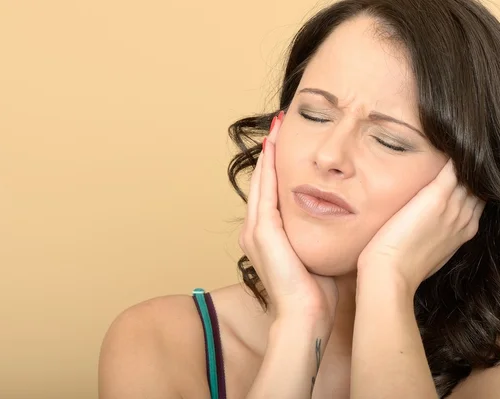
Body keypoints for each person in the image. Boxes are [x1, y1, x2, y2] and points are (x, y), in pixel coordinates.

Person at [98, 0, 500, 397]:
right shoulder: (158, 343)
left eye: (389, 141)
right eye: (314, 115)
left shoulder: (486, 377)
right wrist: (299, 325)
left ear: (467, 183)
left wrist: (386, 282)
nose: (328, 156)